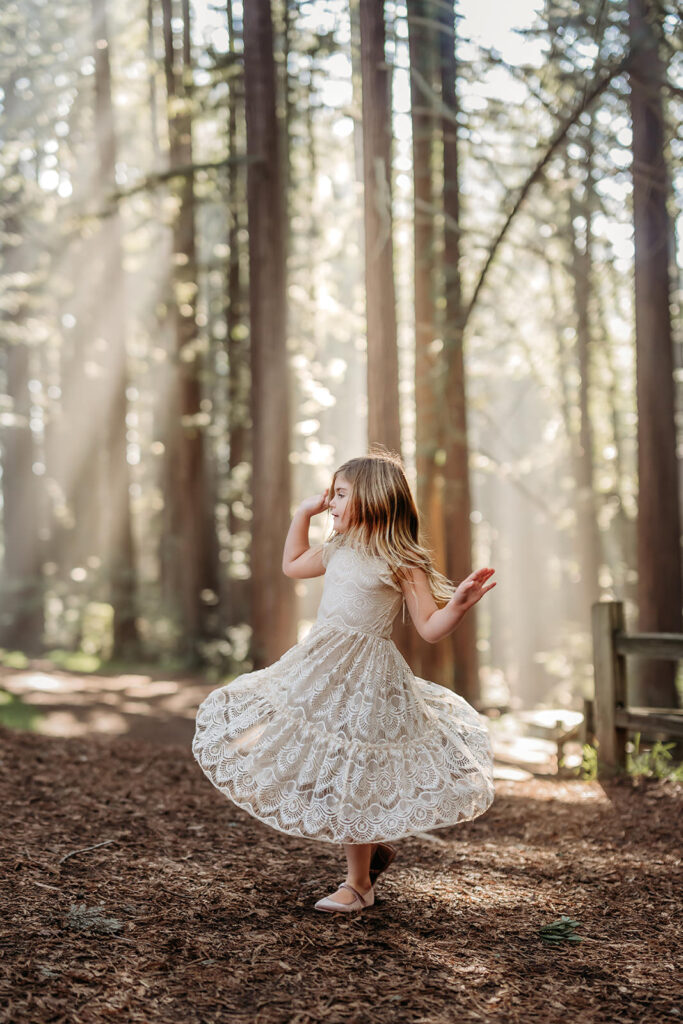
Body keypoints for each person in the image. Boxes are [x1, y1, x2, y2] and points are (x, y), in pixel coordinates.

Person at [192, 448, 496, 914]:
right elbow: (292, 565)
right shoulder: (339, 548)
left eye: (339, 495)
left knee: (354, 773)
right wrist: (301, 515)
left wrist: (457, 605)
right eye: (330, 494)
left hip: (368, 677)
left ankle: (359, 886)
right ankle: (370, 851)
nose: (329, 502)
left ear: (373, 499)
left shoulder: (401, 560)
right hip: (320, 667)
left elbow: (430, 627)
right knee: (319, 756)